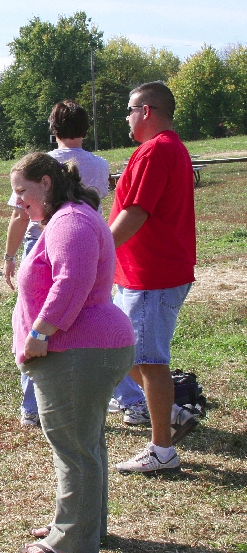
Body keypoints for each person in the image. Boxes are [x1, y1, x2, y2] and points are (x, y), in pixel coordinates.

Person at [10, 152, 136, 553]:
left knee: (75, 450)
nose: (18, 202)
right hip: (87, 349)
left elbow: (72, 280)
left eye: (22, 192)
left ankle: (69, 542)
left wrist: (40, 332)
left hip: (77, 351)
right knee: (86, 444)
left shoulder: (70, 221)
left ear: (46, 183)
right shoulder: (70, 217)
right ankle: (82, 527)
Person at [3, 99, 137, 428]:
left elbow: (21, 217)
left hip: (50, 241)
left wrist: (9, 257)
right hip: (91, 238)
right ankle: (129, 399)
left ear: (54, 129)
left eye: (22, 190)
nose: (20, 196)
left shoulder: (43, 166)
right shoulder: (99, 164)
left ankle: (33, 405)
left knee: (34, 319)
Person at [109, 81, 198, 475]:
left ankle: (162, 451)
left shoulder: (156, 150)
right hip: (142, 273)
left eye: (129, 110)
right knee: (121, 351)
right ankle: (172, 413)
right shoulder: (169, 148)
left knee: (149, 360)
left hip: (152, 275)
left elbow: (136, 212)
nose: (126, 118)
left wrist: (94, 250)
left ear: (146, 111)